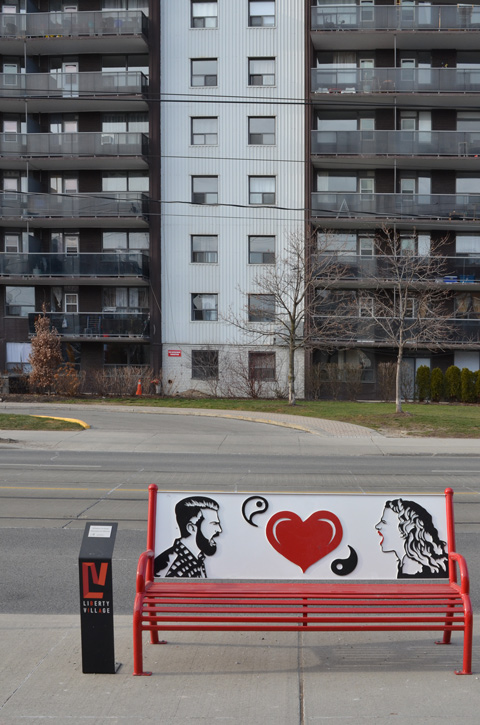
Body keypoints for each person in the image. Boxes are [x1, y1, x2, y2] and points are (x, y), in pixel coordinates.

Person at [375, 498, 448, 578]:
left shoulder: (412, 568)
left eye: (384, 522)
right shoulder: (408, 564)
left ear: (406, 529)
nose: (377, 526)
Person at [154, 496, 222, 578]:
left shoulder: (196, 559)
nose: (219, 530)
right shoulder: (173, 565)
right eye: (214, 524)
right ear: (192, 528)